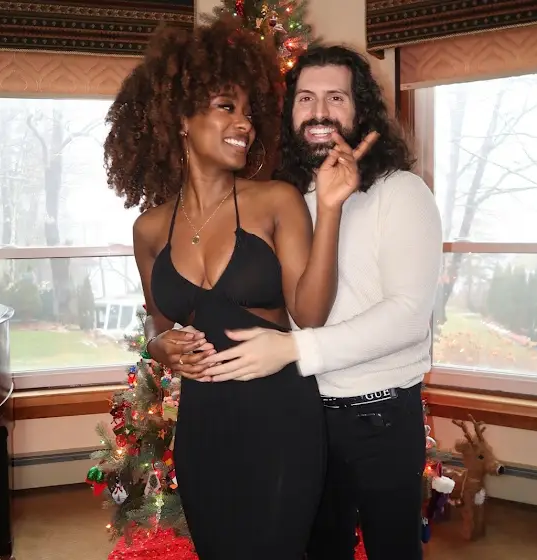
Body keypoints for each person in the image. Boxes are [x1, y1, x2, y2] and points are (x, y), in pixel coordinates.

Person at [104, 21, 376, 560]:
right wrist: (159, 345)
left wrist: (328, 208)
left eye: (250, 112)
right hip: (204, 426)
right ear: (181, 119)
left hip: (281, 419)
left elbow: (310, 314)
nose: (245, 124)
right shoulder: (150, 230)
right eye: (227, 107)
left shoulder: (275, 201)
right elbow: (160, 326)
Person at [177, 45, 443, 560]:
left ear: (360, 109)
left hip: (381, 418)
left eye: (336, 97)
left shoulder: (401, 192)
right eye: (305, 98)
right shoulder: (284, 200)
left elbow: (408, 316)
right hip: (300, 419)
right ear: (290, 112)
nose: (319, 112)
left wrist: (294, 348)